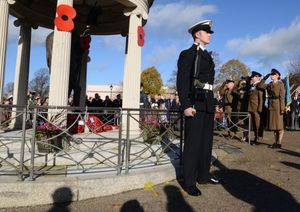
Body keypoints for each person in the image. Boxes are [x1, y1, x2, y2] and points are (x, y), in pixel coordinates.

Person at [176, 19, 221, 196]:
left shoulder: (208, 55)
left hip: (207, 102)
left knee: (205, 143)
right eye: (206, 32)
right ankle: (189, 181)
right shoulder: (188, 54)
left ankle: (203, 175)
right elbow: (182, 80)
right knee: (193, 144)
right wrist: (185, 104)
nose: (209, 35)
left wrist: (214, 104)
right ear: (197, 34)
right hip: (195, 102)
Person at [263, 68, 286, 148]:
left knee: (279, 126)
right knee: (274, 126)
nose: (271, 76)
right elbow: (261, 86)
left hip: (278, 106)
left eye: (273, 75)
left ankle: (279, 142)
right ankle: (276, 142)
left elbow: (282, 97)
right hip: (271, 106)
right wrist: (264, 78)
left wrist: (282, 108)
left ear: (277, 76)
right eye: (271, 74)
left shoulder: (281, 84)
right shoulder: (269, 84)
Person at [245, 71, 266, 144]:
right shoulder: (252, 86)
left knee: (258, 124)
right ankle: (255, 137)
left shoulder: (260, 85)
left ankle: (259, 138)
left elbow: (261, 98)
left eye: (253, 77)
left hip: (257, 108)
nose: (252, 78)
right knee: (254, 124)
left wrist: (260, 108)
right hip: (251, 107)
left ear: (257, 77)